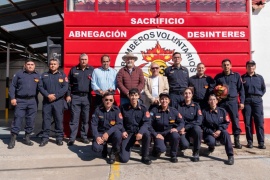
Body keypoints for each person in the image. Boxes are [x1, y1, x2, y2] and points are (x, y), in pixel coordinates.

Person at [8, 59, 40, 149]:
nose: (30, 66)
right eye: (28, 64)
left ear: (34, 66)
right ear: (25, 65)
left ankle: (27, 138)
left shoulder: (38, 75)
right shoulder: (18, 74)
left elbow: (41, 87)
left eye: (32, 64)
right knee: (18, 119)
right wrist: (13, 98)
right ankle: (13, 139)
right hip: (20, 100)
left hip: (32, 101)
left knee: (31, 120)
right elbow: (13, 86)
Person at [214, 59, 245, 149]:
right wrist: (217, 97)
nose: (226, 66)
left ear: (231, 66)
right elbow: (214, 89)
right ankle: (219, 139)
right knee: (219, 120)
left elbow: (241, 90)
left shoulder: (236, 76)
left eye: (228, 65)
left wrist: (242, 102)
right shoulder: (218, 77)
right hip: (222, 102)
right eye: (224, 65)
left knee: (235, 121)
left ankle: (236, 140)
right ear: (222, 66)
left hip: (232, 101)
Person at [38, 58, 68, 147]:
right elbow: (40, 87)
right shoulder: (44, 75)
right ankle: (45, 138)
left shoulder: (62, 75)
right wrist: (48, 95)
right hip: (47, 102)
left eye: (55, 64)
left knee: (59, 120)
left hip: (58, 102)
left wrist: (55, 96)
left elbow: (65, 88)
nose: (53, 65)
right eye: (51, 64)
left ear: (58, 65)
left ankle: (59, 138)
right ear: (49, 65)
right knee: (46, 120)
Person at [66, 53, 94, 146]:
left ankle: (84, 137)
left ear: (88, 60)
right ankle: (72, 138)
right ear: (79, 60)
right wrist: (68, 95)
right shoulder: (73, 69)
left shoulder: (92, 70)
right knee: (74, 118)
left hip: (87, 97)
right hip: (76, 97)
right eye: (82, 59)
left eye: (85, 59)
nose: (84, 61)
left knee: (85, 118)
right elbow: (68, 83)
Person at [119, 88, 152, 165]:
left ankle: (145, 156)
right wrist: (123, 131)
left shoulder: (143, 108)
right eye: (132, 95)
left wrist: (140, 132)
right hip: (128, 133)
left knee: (147, 133)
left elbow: (146, 122)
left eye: (135, 95)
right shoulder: (123, 108)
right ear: (129, 96)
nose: (133, 97)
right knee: (124, 159)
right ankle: (123, 148)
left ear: (138, 96)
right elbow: (119, 122)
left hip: (138, 133)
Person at [149, 92, 184, 163]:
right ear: (159, 100)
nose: (164, 101)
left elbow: (181, 122)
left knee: (176, 136)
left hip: (169, 133)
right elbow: (148, 124)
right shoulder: (154, 111)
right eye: (162, 99)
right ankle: (156, 149)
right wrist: (155, 134)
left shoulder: (173, 111)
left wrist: (177, 129)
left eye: (166, 99)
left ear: (169, 101)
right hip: (159, 134)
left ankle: (173, 155)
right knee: (161, 149)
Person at [91, 92, 123, 164]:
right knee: (96, 148)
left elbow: (120, 124)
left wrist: (108, 133)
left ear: (113, 101)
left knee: (118, 134)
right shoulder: (98, 110)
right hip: (101, 134)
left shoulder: (116, 110)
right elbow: (94, 125)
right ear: (103, 100)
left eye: (111, 100)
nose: (108, 102)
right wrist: (97, 137)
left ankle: (113, 153)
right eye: (106, 100)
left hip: (111, 133)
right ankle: (104, 148)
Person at [202, 94, 234, 165]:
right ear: (208, 102)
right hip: (210, 133)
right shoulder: (204, 112)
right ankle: (211, 146)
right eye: (210, 99)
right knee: (211, 141)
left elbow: (227, 122)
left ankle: (230, 156)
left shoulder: (222, 111)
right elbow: (202, 125)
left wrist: (219, 130)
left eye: (214, 99)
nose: (212, 101)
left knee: (226, 133)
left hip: (220, 132)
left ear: (217, 101)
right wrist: (211, 132)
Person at [241, 60, 266, 149]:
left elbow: (263, 89)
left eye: (252, 66)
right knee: (248, 123)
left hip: (257, 101)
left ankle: (261, 142)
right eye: (249, 66)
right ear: (246, 67)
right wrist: (242, 102)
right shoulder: (242, 78)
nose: (250, 67)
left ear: (255, 67)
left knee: (259, 122)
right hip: (247, 101)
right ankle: (250, 142)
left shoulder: (259, 77)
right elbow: (241, 91)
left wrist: (257, 97)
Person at [177, 87, 202, 162]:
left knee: (198, 130)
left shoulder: (196, 106)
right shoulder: (179, 105)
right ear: (183, 95)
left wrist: (187, 127)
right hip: (182, 129)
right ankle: (181, 145)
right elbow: (175, 119)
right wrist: (179, 128)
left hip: (191, 128)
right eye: (185, 93)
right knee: (185, 145)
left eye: (189, 93)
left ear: (192, 95)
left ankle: (196, 152)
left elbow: (199, 120)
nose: (187, 95)